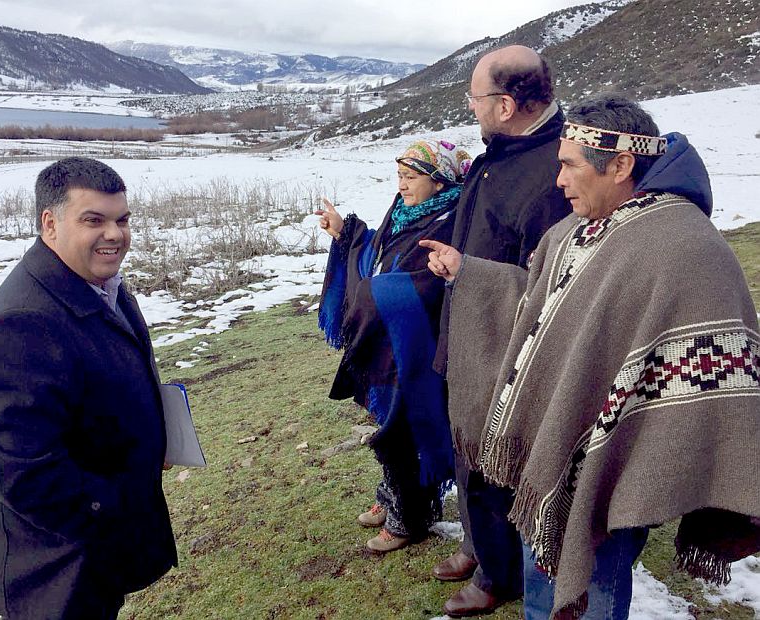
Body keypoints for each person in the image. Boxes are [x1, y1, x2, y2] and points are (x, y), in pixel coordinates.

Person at [421, 94, 760, 619]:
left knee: (592, 594)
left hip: (618, 460)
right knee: (544, 582)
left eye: (569, 165)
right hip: (551, 453)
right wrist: (470, 272)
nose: (559, 181)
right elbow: (545, 308)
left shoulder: (687, 248)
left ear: (621, 164)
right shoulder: (576, 228)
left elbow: (722, 369)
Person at [0, 157, 177, 619]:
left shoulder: (97, 283)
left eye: (122, 220)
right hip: (53, 567)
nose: (115, 234)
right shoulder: (22, 323)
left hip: (90, 549)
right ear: (50, 223)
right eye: (94, 220)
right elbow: (26, 474)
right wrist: (117, 502)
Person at [429, 45, 572, 618]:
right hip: (467, 329)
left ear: (507, 105)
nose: (471, 107)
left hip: (504, 348)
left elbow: (551, 282)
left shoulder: (551, 175)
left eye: (476, 97)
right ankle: (477, 543)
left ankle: (499, 576)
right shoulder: (502, 154)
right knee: (467, 453)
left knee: (492, 461)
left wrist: (470, 272)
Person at [316, 139, 472, 553]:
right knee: (387, 424)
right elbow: (375, 253)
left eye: (411, 176)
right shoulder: (402, 210)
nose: (401, 184)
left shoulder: (452, 219)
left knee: (405, 429)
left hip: (418, 345)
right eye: (399, 175)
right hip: (384, 340)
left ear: (438, 182)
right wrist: (344, 232)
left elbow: (431, 284)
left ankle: (412, 517)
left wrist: (381, 292)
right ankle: (393, 496)